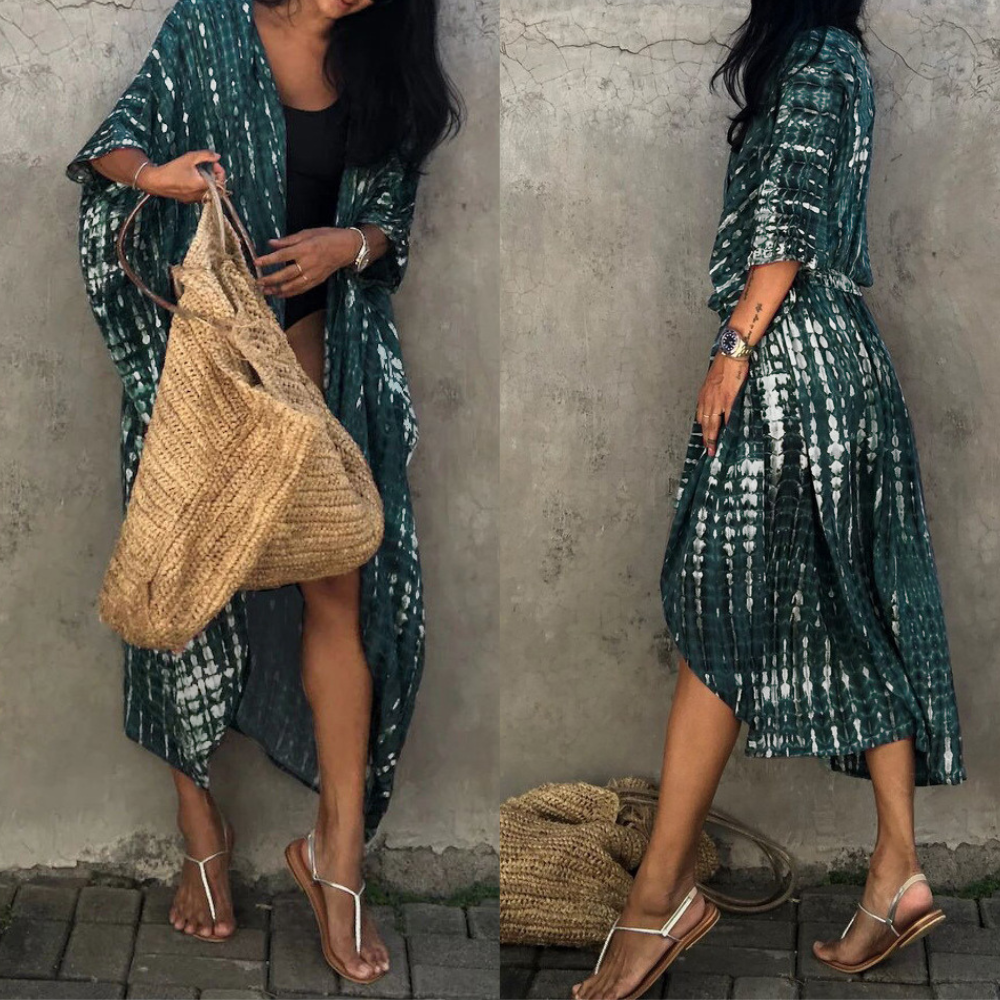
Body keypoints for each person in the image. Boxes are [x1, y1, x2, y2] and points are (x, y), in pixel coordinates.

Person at [573, 2, 965, 997]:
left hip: (790, 360)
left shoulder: (815, 56)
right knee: (854, 608)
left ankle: (659, 895)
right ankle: (896, 871)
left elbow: (786, 218)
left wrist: (735, 345)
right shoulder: (837, 56)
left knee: (722, 607)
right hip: (836, 358)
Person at [65, 0, 460, 983]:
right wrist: (158, 177)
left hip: (322, 365)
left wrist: (347, 246)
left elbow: (391, 222)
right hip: (201, 380)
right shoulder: (209, 23)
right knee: (179, 591)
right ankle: (199, 826)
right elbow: (113, 145)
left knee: (340, 595)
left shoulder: (384, 62)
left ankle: (337, 853)